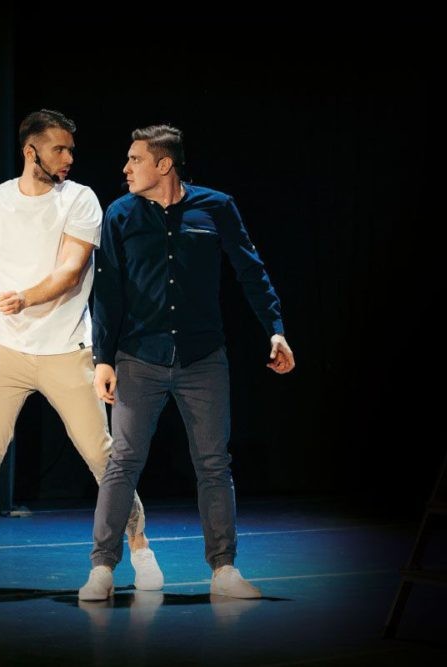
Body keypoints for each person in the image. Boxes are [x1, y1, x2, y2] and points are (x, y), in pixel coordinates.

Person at [0, 109, 163, 597]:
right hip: (3, 347)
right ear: (31, 151)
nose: (68, 157)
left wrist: (25, 298)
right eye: (58, 149)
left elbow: (70, 271)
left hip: (66, 349)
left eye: (70, 149)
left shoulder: (80, 199)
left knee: (103, 456)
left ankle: (141, 547)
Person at [80, 124, 295, 601]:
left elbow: (250, 269)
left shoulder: (216, 207)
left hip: (203, 357)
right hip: (139, 356)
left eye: (135, 159)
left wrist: (275, 328)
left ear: (164, 164)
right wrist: (103, 358)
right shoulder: (120, 213)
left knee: (214, 463)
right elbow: (108, 290)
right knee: (123, 462)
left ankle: (224, 570)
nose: (126, 168)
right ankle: (102, 569)